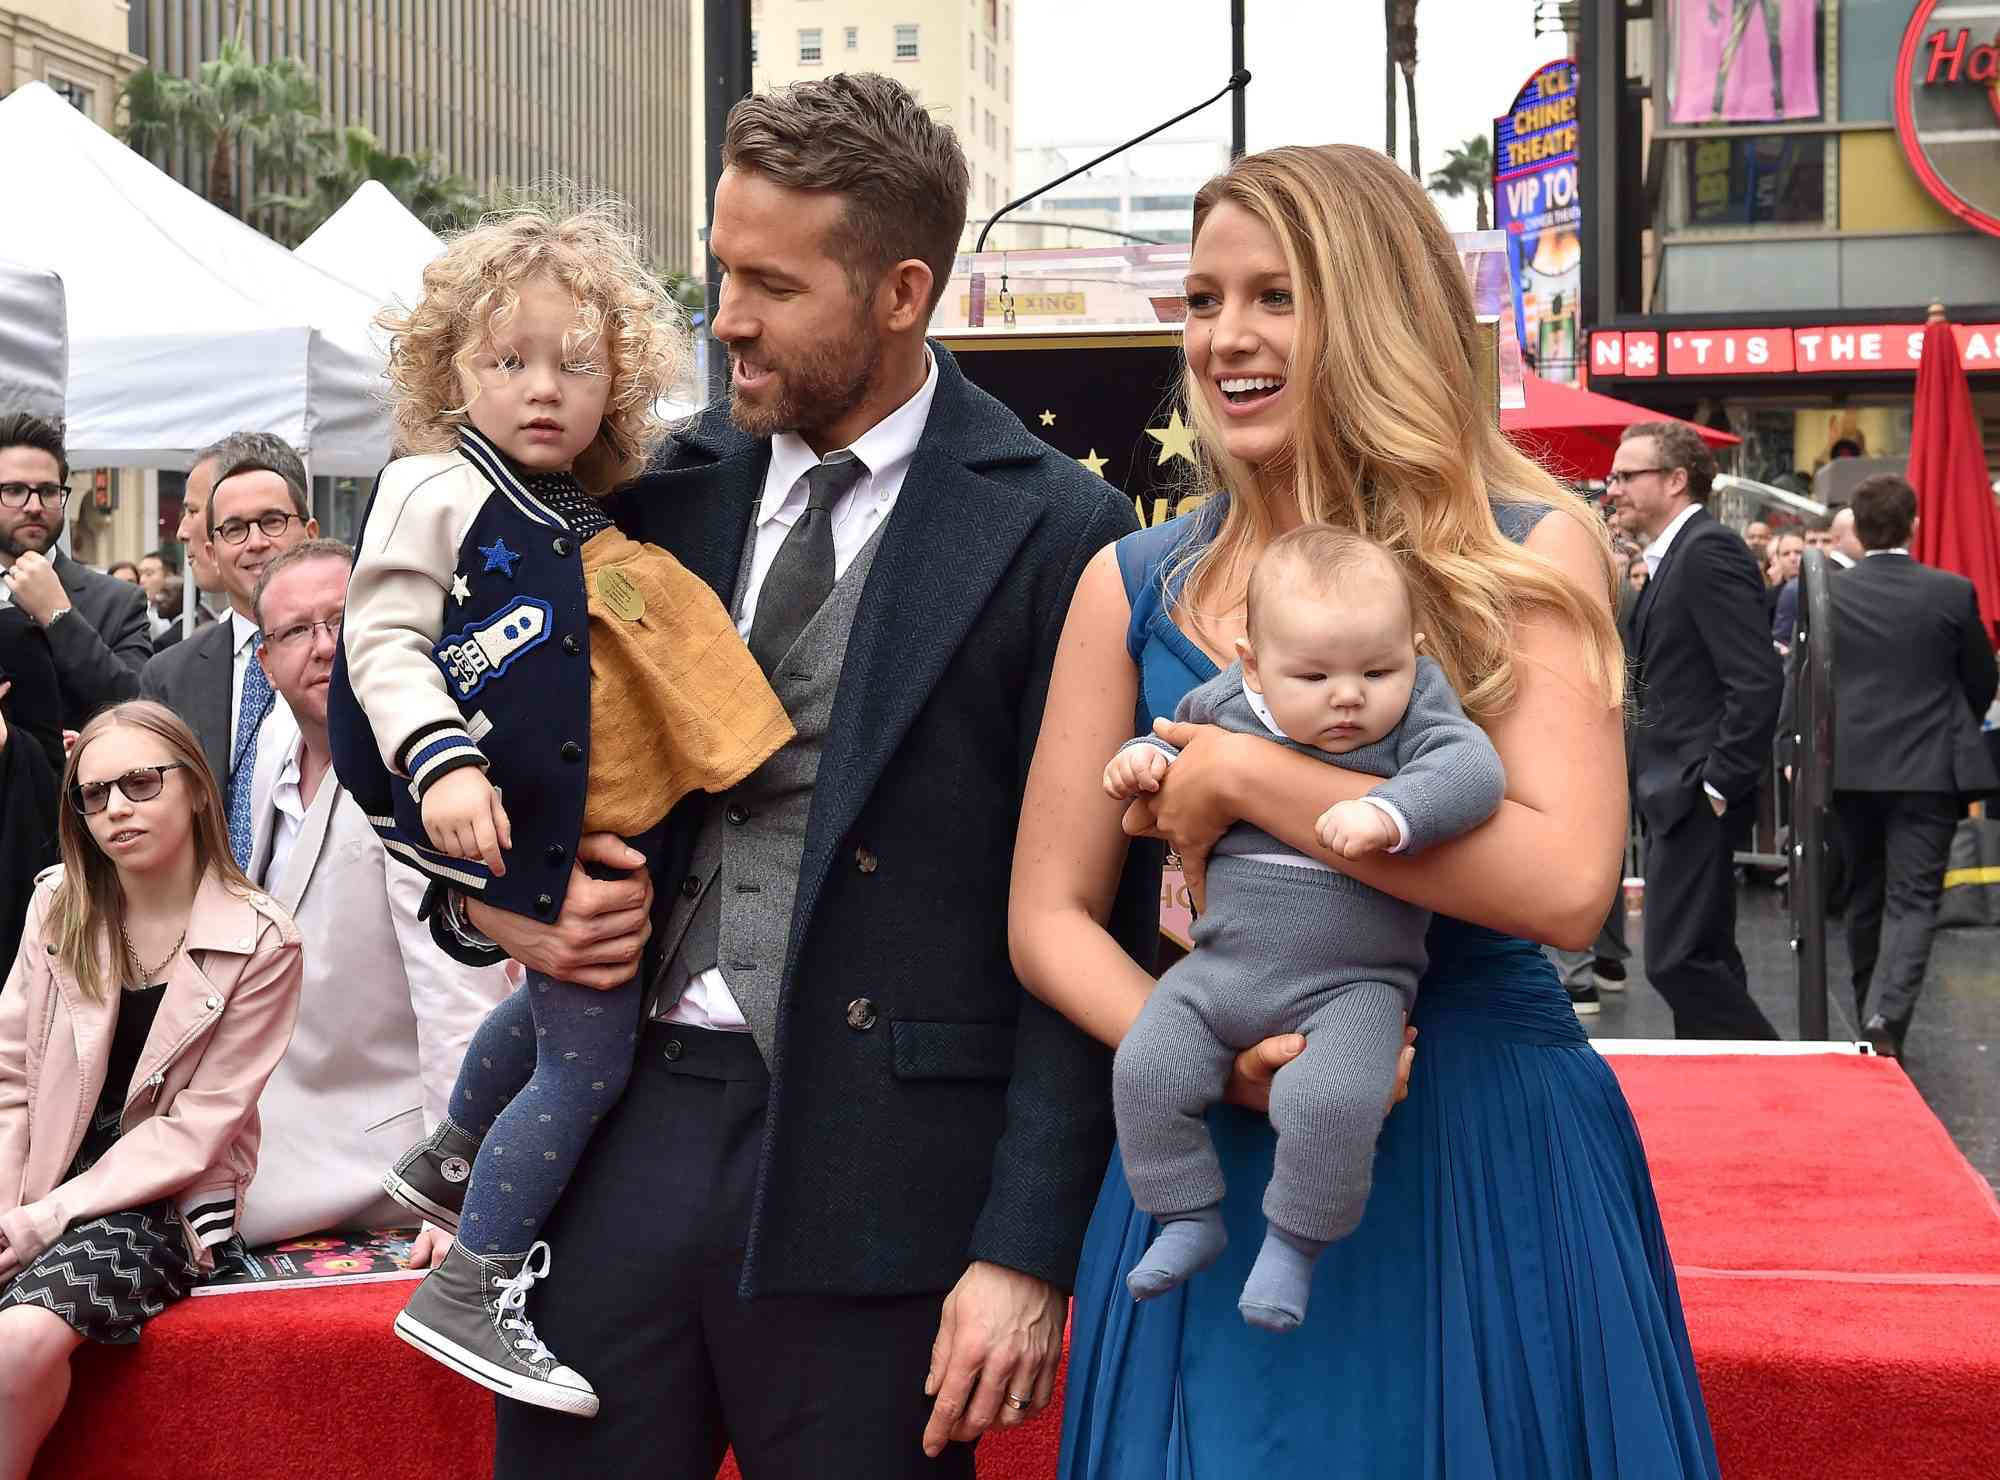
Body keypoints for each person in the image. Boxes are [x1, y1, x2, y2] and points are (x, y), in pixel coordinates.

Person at [413, 74, 1149, 1477]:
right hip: (613, 1129)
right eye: (718, 273)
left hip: (887, 1174)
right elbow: (474, 749)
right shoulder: (643, 489)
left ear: (900, 291)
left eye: (770, 283)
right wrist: (492, 911)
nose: (726, 318)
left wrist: (1024, 1248)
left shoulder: (1062, 529)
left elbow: (1094, 922)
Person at [1014, 144, 1716, 1478]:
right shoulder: (1130, 582)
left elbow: (1568, 884)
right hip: (1214, 1153)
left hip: (1478, 1141)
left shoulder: (1518, 546)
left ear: (1374, 310)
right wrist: (1212, 1063)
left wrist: (1249, 778)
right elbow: (1046, 916)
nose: (1227, 337)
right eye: (1203, 300)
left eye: (1276, 296)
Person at [327, 203, 792, 1417]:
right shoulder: (433, 485)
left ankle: (449, 1155)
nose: (544, 389)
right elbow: (376, 644)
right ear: (451, 372)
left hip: (600, 826)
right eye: (508, 360)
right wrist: (441, 765)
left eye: (575, 364)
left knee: (548, 1023)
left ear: (617, 379)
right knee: (586, 1068)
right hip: (510, 822)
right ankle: (469, 1282)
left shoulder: (588, 507)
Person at [1099, 526, 1503, 1332]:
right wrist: (1141, 760)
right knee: (1144, 1066)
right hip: (1219, 971)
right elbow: (1171, 743)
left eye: (1376, 670)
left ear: (1413, 652)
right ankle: (1185, 1215)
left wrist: (1392, 811)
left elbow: (1472, 769)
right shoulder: (1223, 702)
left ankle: (1295, 1243)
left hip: (1353, 982)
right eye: (1312, 676)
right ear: (1252, 664)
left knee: (1334, 1101)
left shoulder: (1417, 706)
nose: (1348, 697)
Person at [0, 700, 301, 1479]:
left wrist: (48, 1216)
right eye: (93, 795)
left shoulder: (263, 940)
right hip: (32, 1178)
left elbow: (198, 1129)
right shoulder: (57, 905)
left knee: (19, 1339)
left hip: (161, 1202)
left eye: (139, 783)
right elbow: (9, 1078)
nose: (115, 810)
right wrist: (9, 1211)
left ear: (198, 788)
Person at [236, 540, 512, 1249]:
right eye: (298, 630)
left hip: (372, 1163)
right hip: (271, 1126)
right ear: (264, 663)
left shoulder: (422, 785)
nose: (325, 648)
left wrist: (455, 1192)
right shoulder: (271, 747)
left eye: (343, 621)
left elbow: (458, 1000)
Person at [1790, 475, 1997, 1057]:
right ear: (1914, 525)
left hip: (1850, 769)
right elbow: (1980, 678)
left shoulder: (1834, 594)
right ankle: (1886, 1014)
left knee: (1864, 895)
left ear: (1855, 526)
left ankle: (1869, 1015)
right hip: (1930, 769)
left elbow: (1808, 680)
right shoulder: (1951, 592)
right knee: (1914, 899)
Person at [1614, 420, 1782, 1039]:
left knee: (1677, 961)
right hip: (1675, 791)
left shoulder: (1707, 550)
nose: (1614, 489)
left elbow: (1756, 678)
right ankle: (1725, 1086)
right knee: (1707, 956)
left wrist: (1717, 783)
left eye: (1628, 475)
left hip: (1693, 792)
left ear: (1676, 480)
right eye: (1614, 476)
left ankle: (1779, 1074)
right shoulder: (1673, 557)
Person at [140, 434, 317, 865]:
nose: (255, 542)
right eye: (235, 529)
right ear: (213, 550)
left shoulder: (359, 650)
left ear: (310, 532)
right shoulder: (169, 676)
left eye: (272, 521)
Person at [0, 415, 150, 729]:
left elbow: (140, 714)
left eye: (48, 491)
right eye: (13, 490)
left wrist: (60, 617)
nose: (34, 506)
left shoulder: (119, 602)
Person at [1770, 529, 1806, 649]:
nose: (1793, 558)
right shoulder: (1768, 599)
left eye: (1798, 552)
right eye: (1786, 554)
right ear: (1778, 559)